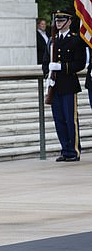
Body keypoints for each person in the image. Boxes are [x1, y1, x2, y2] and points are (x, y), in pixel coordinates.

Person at [42, 10, 86, 162]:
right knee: (59, 119)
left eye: (61, 21)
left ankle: (74, 151)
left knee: (70, 119)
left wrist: (62, 67)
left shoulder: (75, 40)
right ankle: (65, 149)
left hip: (68, 85)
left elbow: (80, 63)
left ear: (69, 22)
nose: (58, 23)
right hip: (55, 86)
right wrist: (48, 74)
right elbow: (46, 61)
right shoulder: (51, 40)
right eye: (57, 21)